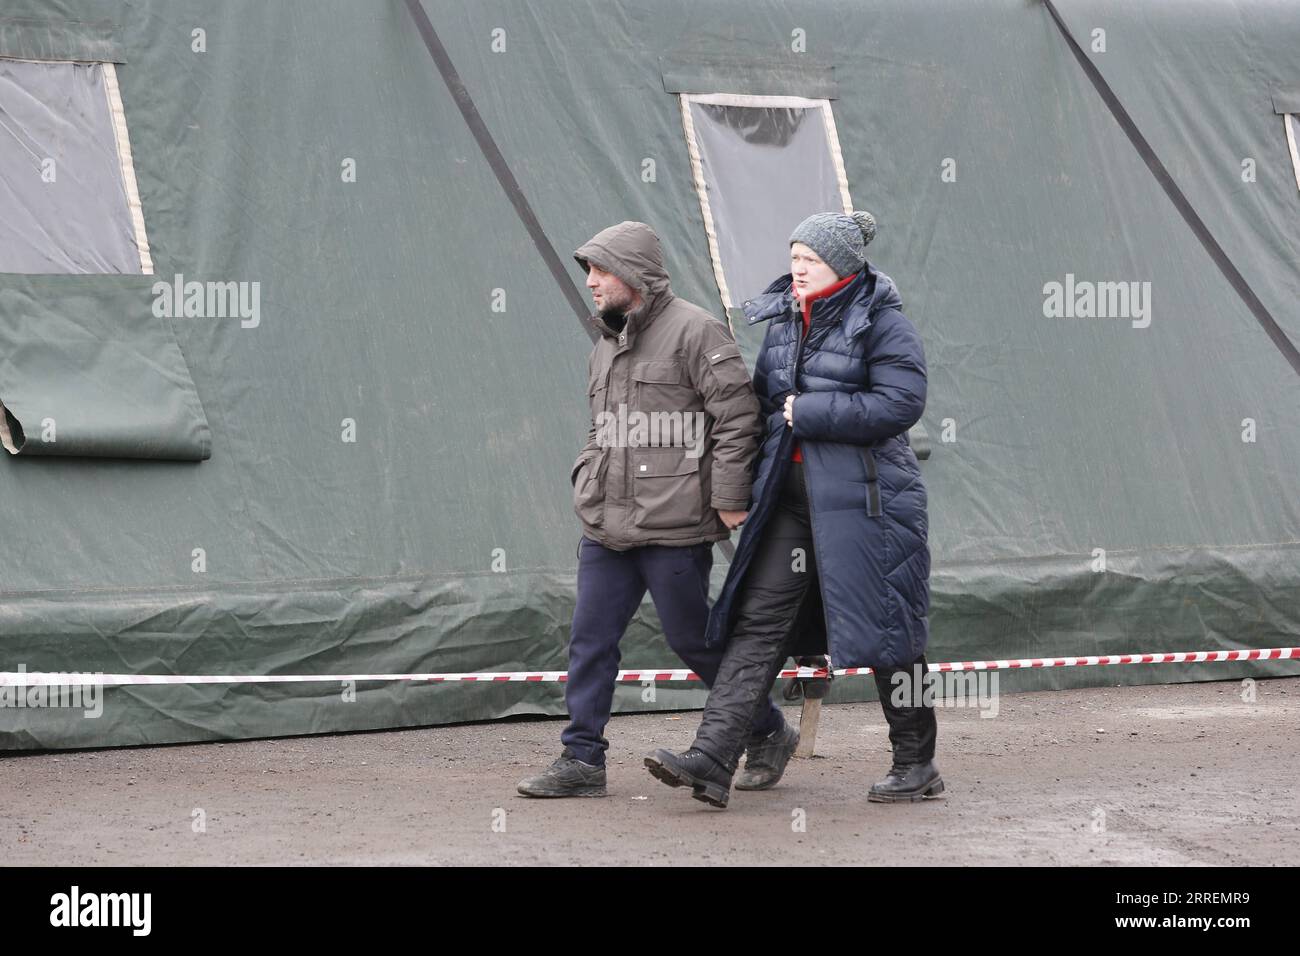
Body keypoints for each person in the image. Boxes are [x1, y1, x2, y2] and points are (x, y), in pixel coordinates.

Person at [644, 211, 941, 808]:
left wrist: (810, 413)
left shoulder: (884, 322)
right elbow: (762, 404)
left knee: (892, 638)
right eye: (794, 256)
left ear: (843, 266)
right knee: (756, 624)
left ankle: (916, 764)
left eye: (809, 259)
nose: (796, 268)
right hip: (790, 504)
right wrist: (739, 489)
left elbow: (900, 405)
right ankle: (712, 758)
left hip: (870, 507)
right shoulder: (784, 320)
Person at [517, 221, 794, 798]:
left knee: (693, 640)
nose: (591, 282)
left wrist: (727, 501)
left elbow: (739, 420)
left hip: (675, 528)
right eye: (587, 270)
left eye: (600, 269)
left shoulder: (698, 331)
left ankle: (768, 728)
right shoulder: (605, 346)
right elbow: (603, 430)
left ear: (634, 274)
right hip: (605, 525)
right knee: (590, 640)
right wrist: (587, 475)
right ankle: (582, 760)